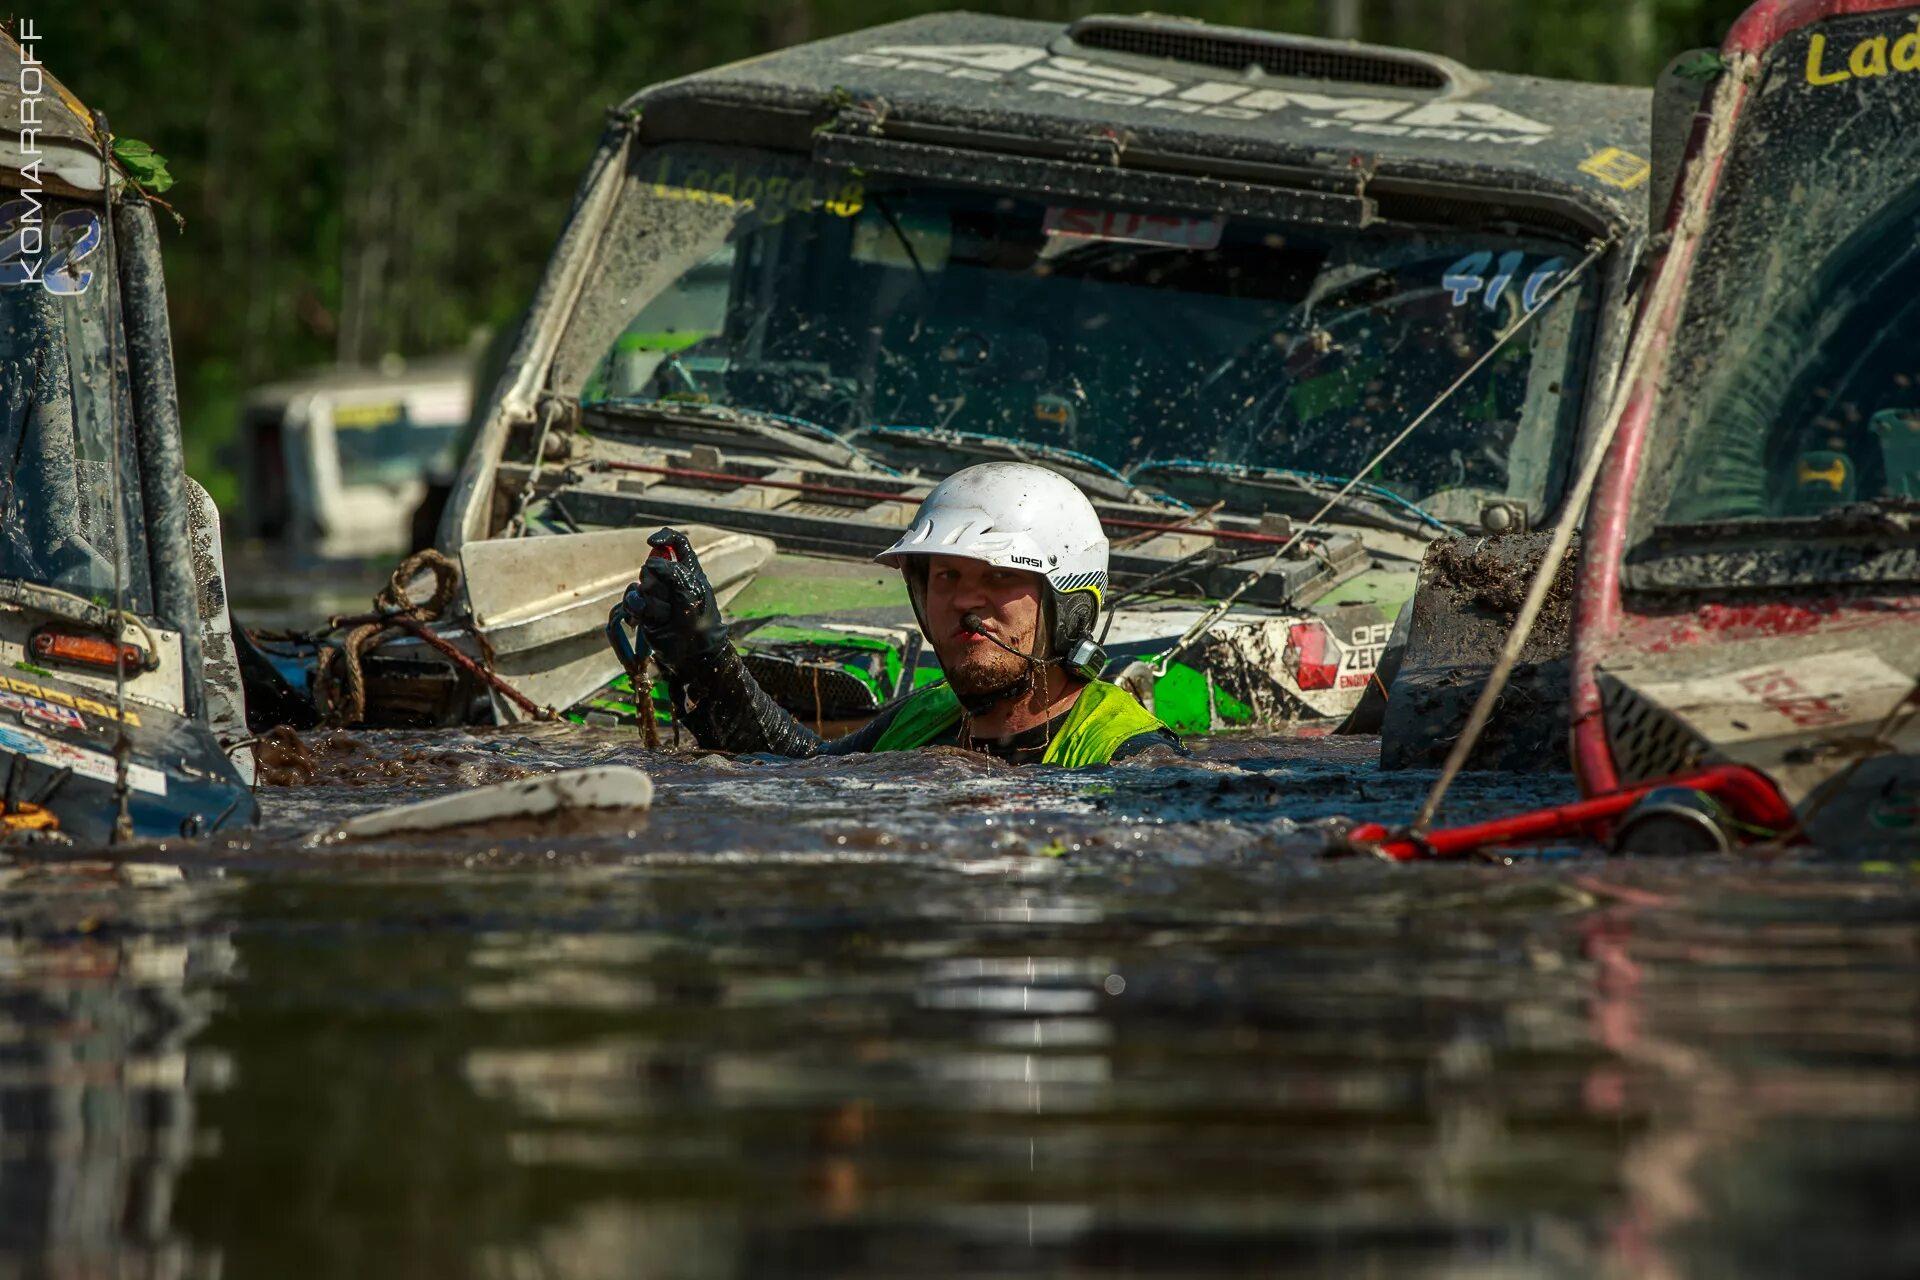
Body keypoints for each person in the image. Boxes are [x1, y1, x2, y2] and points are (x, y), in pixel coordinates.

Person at [632, 462, 1181, 765]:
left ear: (1071, 602)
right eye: (946, 577)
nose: (964, 601)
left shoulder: (1131, 752)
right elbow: (798, 770)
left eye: (998, 576)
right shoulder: (925, 716)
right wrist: (704, 659)